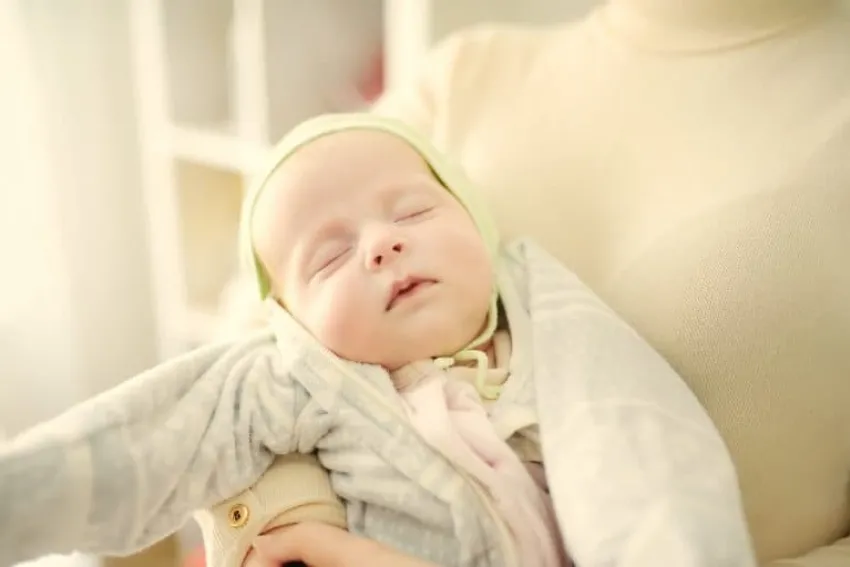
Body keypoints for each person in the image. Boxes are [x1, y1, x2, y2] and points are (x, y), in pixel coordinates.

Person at [235, 0, 850, 564]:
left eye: (414, 213)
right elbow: (255, 336)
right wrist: (289, 521)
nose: (382, 247)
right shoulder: (465, 76)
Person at [0, 113, 755, 567]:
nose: (382, 246)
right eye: (329, 258)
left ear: (478, 226)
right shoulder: (295, 379)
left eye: (413, 213)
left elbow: (639, 447)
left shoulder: (544, 316)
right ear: (291, 321)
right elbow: (143, 443)